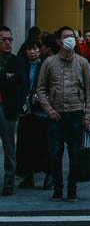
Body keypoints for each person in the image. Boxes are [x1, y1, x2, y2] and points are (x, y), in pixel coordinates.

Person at [36, 25, 90, 201]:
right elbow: (40, 88)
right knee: (55, 152)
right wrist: (49, 109)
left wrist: (87, 115)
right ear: (59, 41)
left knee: (75, 153)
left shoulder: (82, 62)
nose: (71, 39)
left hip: (76, 112)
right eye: (67, 36)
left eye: (73, 37)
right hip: (56, 113)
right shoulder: (49, 62)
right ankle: (57, 188)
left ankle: (72, 188)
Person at [16, 41, 51, 190]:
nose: (32, 52)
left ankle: (48, 174)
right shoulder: (22, 66)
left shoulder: (45, 66)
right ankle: (28, 176)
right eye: (29, 50)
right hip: (26, 111)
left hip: (41, 110)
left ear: (40, 50)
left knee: (43, 144)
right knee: (26, 145)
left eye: (35, 49)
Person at [0, 25, 26, 196]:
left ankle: (9, 181)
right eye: (4, 40)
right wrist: (6, 78)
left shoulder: (17, 61)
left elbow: (19, 82)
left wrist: (7, 78)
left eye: (10, 39)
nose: (8, 43)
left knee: (9, 146)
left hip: (8, 108)